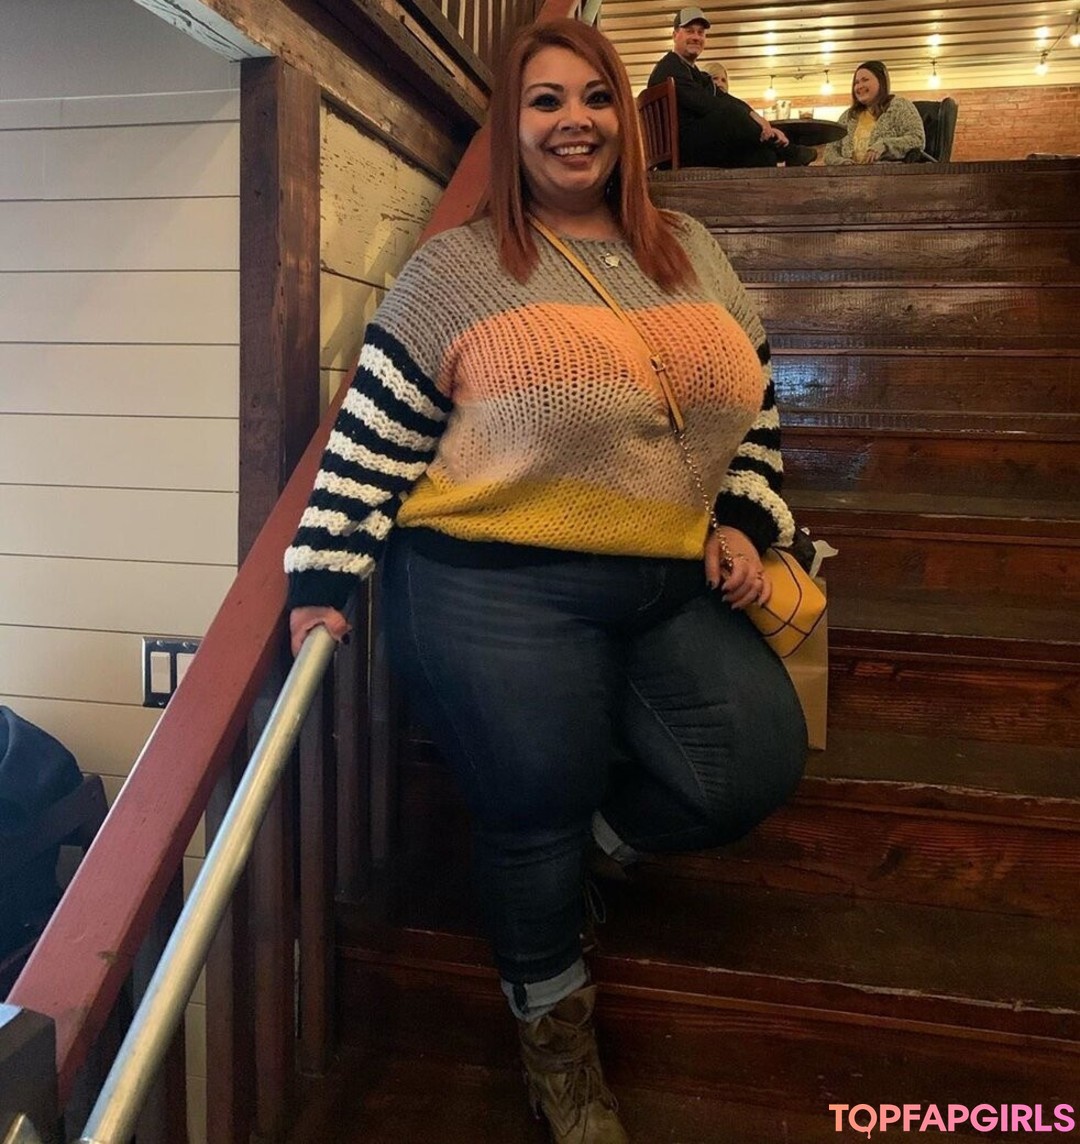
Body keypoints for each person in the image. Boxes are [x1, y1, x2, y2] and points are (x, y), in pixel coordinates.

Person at [285, 17, 806, 1143]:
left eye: (596, 97)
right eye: (546, 101)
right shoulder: (458, 269)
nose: (576, 121)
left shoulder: (693, 250)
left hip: (662, 574)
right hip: (492, 583)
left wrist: (743, 518)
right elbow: (373, 438)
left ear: (627, 117)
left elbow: (755, 409)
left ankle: (584, 858)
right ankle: (557, 1047)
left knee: (751, 763)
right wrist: (322, 574)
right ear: (510, 128)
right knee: (532, 806)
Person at [647, 8, 815, 168]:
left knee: (764, 155)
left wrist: (760, 119)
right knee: (729, 114)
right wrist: (761, 127)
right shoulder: (670, 67)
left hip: (698, 146)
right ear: (675, 35)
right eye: (689, 31)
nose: (696, 37)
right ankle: (789, 151)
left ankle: (783, 154)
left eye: (701, 32)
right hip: (681, 151)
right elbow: (707, 104)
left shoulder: (695, 73)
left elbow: (724, 97)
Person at [823, 60, 925, 165]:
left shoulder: (900, 106)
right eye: (856, 83)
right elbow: (830, 152)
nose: (859, 86)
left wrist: (884, 146)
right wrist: (841, 162)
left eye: (865, 80)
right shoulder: (848, 116)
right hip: (851, 174)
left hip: (890, 173)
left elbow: (917, 139)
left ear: (881, 82)